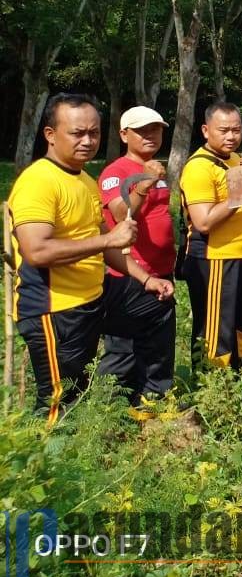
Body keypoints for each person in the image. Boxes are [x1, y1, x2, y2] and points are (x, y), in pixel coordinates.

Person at [10, 94, 174, 426]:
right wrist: (108, 238)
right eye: (77, 133)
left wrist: (145, 279)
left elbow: (105, 246)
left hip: (95, 296)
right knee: (62, 399)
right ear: (50, 135)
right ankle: (47, 466)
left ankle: (143, 399)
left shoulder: (84, 180)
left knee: (154, 307)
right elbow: (36, 251)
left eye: (94, 133)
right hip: (55, 308)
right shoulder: (39, 181)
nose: (88, 141)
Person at [97, 105, 178, 417]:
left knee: (158, 342)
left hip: (161, 270)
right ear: (123, 134)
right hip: (128, 272)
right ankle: (109, 410)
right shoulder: (114, 172)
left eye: (156, 129)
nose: (150, 135)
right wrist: (145, 183)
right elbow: (121, 216)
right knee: (123, 347)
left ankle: (153, 400)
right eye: (142, 130)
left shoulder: (156, 168)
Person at [179, 102, 242, 372]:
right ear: (206, 131)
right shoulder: (198, 168)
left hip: (240, 254)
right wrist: (239, 193)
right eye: (224, 130)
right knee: (215, 327)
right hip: (214, 257)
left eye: (237, 130)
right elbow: (203, 222)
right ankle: (210, 386)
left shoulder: (234, 160)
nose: (231, 136)